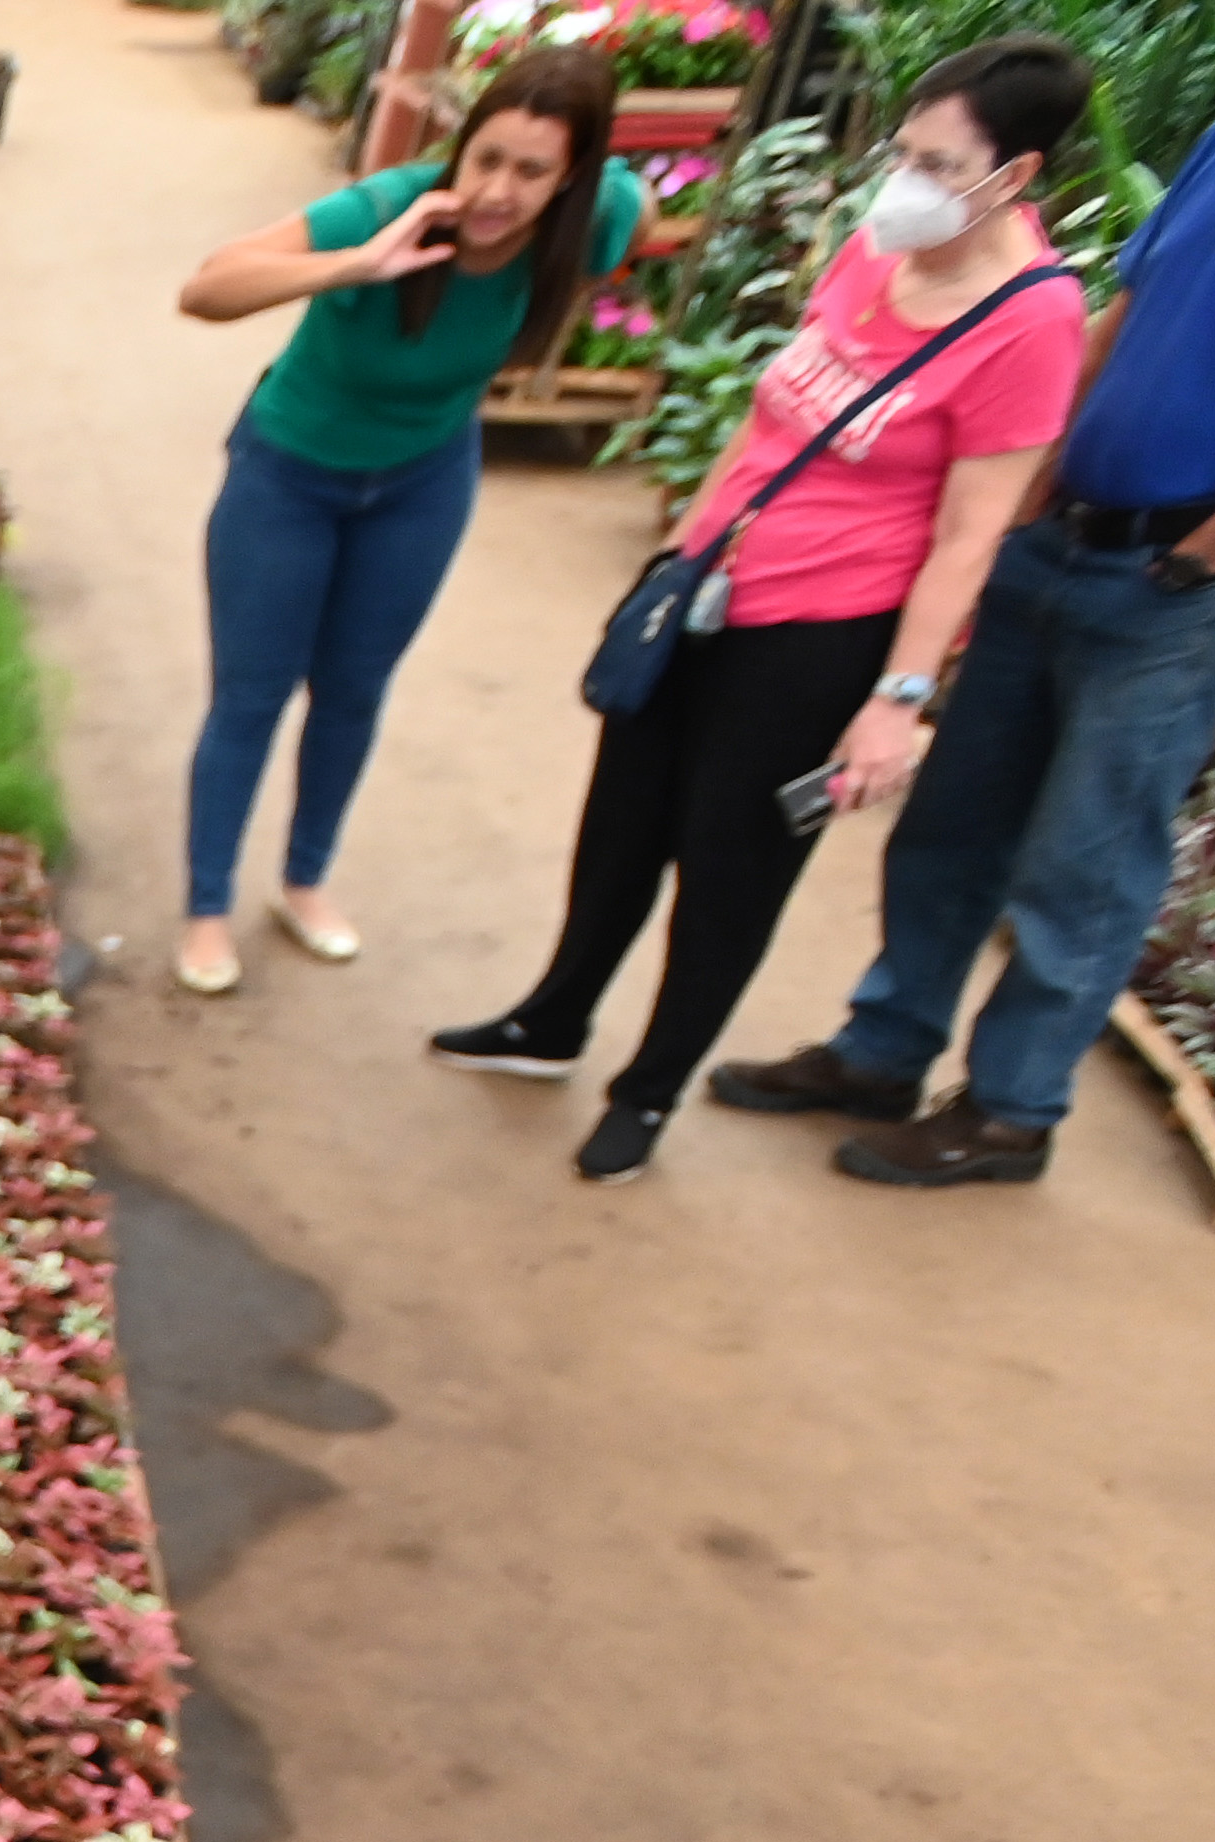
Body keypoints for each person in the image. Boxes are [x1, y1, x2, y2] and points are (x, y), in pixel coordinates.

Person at [431, 35, 1091, 1185]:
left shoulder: (1029, 324)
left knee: (728, 865)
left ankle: (646, 1090)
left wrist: (894, 699)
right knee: (620, 822)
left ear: (1014, 177)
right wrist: (682, 556)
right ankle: (551, 1018)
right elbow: (772, 405)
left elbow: (967, 533)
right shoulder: (877, 246)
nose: (905, 183)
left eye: (938, 166)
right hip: (709, 593)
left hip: (820, 636)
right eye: (905, 152)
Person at [714, 93, 1215, 1189]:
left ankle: (1007, 1111)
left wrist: (1195, 554)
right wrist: (1030, 481)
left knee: (1082, 860)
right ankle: (881, 1051)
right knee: (952, 822)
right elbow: (1128, 312)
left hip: (1171, 589)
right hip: (1057, 534)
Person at [167, 48, 640, 997]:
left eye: (533, 171)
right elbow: (206, 288)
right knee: (251, 696)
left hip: (423, 482)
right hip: (289, 473)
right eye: (487, 159)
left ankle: (304, 880)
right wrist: (357, 264)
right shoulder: (391, 204)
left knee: (353, 689)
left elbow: (632, 203)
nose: (498, 190)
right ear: (460, 148)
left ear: (571, 180)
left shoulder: (597, 218)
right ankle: (208, 905)